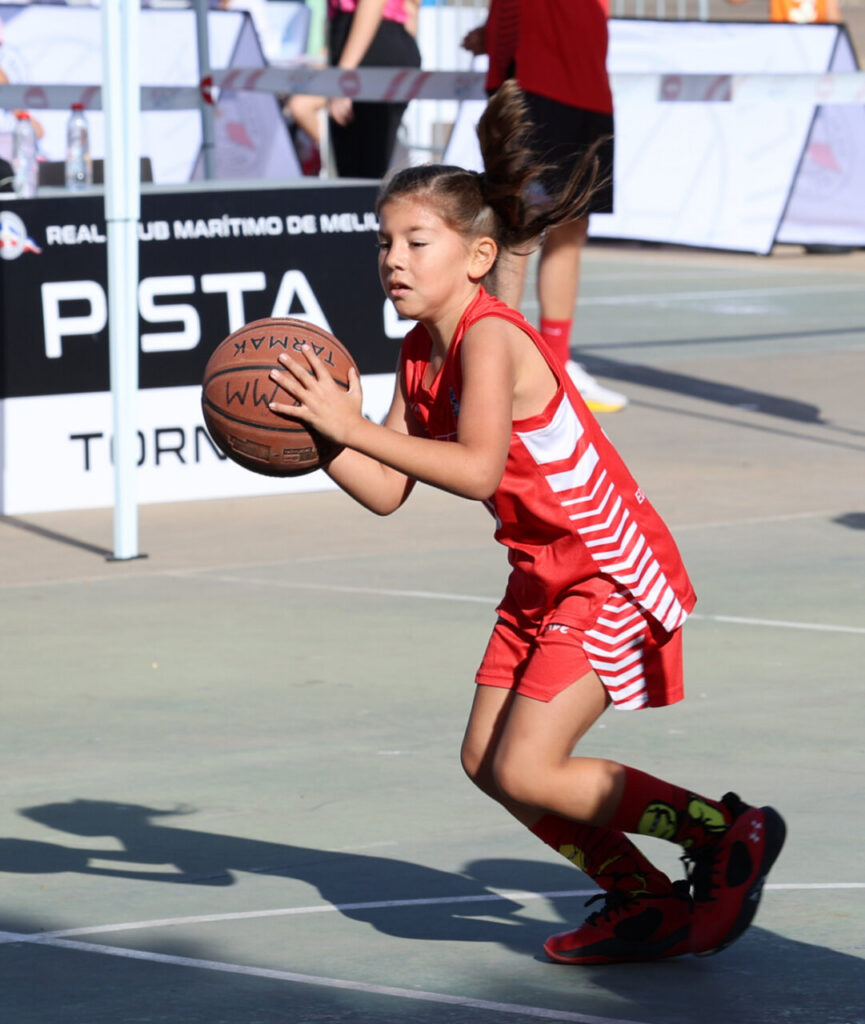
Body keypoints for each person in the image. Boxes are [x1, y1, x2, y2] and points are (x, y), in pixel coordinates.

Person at [266, 80, 786, 965]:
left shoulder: (490, 337)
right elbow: (390, 488)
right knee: (485, 762)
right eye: (382, 242)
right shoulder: (419, 350)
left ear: (475, 257)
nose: (391, 258)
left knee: (528, 766)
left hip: (606, 564)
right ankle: (642, 900)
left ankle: (719, 832)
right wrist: (313, 442)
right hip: (540, 574)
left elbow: (471, 468)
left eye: (413, 241)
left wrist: (349, 426)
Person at [462, 0, 627, 414]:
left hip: (586, 81)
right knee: (520, 225)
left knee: (571, 225)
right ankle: (492, 360)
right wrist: (499, 34)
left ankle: (559, 361)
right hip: (534, 80)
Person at [326, 0, 421, 178]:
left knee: (360, 176)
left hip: (368, 52)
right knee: (366, 173)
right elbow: (412, 8)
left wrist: (344, 79)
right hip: (381, 45)